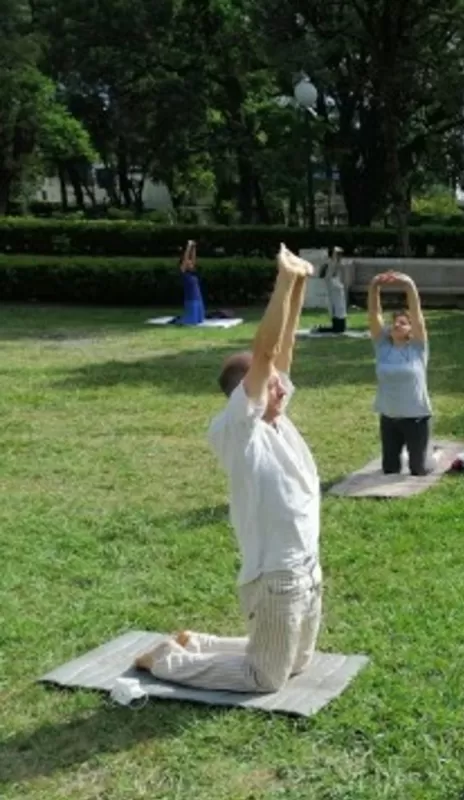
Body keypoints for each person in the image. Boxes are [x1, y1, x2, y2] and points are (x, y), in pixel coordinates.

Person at [133, 245, 323, 693]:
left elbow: (283, 347)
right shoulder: (240, 430)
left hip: (308, 568)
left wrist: (300, 283)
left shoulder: (278, 419)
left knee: (299, 663)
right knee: (266, 678)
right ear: (248, 392)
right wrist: (281, 280)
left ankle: (198, 642)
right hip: (278, 575)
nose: (282, 387)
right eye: (272, 383)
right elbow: (264, 353)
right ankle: (165, 661)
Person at [369, 270, 433, 475]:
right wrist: (374, 287)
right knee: (389, 469)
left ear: (411, 330)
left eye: (403, 323)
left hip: (416, 419)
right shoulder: (382, 347)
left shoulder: (417, 348)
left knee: (418, 470)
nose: (397, 324)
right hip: (389, 419)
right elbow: (373, 315)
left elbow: (417, 315)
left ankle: (430, 454)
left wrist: (409, 285)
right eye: (394, 322)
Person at [312, 246, 348, 334]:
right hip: (338, 312)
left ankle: (318, 329)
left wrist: (336, 256)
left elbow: (335, 266)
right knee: (339, 329)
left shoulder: (332, 279)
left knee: (339, 329)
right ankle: (318, 329)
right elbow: (333, 266)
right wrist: (335, 255)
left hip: (339, 312)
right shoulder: (329, 279)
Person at [178, 240, 206, 326]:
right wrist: (189, 246)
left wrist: (194, 248)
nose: (191, 263)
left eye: (191, 263)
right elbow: (186, 258)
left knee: (200, 320)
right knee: (192, 321)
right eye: (188, 263)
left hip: (198, 298)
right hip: (191, 299)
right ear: (184, 264)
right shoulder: (183, 272)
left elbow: (193, 259)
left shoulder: (192, 272)